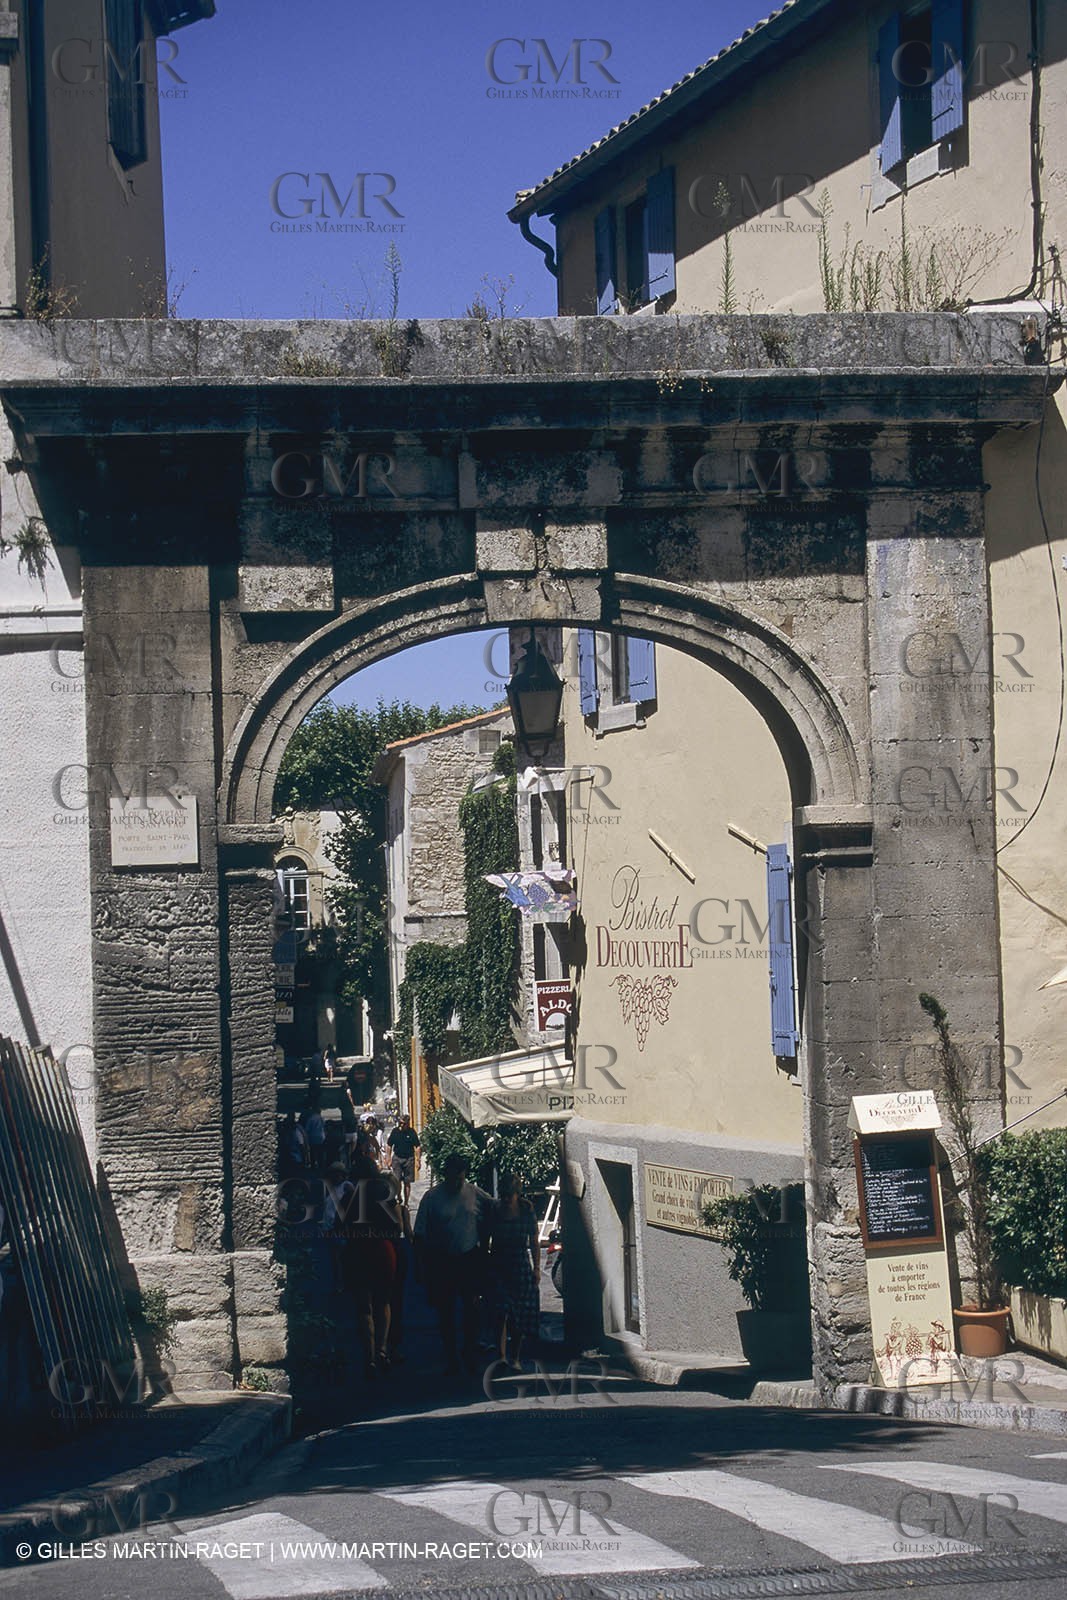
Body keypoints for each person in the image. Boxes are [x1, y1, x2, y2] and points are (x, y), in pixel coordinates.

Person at [413, 1152, 493, 1374]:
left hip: (468, 1258)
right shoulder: (432, 1198)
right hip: (441, 1260)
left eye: (461, 1177)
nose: (457, 1182)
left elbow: (494, 1209)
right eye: (453, 1177)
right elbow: (419, 1234)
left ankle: (469, 1352)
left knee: (472, 1309)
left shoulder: (474, 1193)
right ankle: (451, 1357)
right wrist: (420, 1265)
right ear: (445, 1175)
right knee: (445, 1311)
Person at [347, 1155, 401, 1379]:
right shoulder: (384, 1194)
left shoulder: (351, 1197)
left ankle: (369, 1357)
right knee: (384, 1302)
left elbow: (343, 1227)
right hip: (383, 1250)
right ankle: (382, 1348)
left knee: (364, 1308)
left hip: (359, 1251)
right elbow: (395, 1227)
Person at [487, 1173, 540, 1369]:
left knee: (519, 1314)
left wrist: (536, 1269)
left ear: (517, 1193)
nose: (507, 1199)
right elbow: (486, 1237)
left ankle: (515, 1357)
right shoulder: (494, 1209)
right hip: (498, 1263)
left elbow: (534, 1241)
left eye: (510, 1194)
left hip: (519, 1264)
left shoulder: (526, 1210)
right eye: (504, 1195)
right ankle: (500, 1356)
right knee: (501, 1311)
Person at [387, 1113, 421, 1203]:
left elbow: (417, 1146)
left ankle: (406, 1202)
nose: (401, 1125)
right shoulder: (395, 1131)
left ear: (408, 1123)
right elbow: (389, 1145)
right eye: (400, 1123)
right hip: (397, 1158)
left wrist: (418, 1160)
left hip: (409, 1159)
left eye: (404, 1123)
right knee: (397, 1180)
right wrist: (388, 1158)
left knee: (407, 1182)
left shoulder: (412, 1132)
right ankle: (399, 1196)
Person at [300, 1096, 326, 1172]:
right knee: (320, 1152)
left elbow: (307, 1128)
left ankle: (313, 1166)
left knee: (313, 1152)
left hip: (313, 1137)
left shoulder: (311, 1118)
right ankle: (321, 1165)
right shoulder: (321, 1118)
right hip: (321, 1137)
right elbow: (324, 1126)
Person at [279, 1110, 307, 1178]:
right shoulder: (295, 1130)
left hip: (296, 1157)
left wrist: (304, 1157)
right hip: (293, 1157)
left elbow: (301, 1145)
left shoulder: (295, 1131)